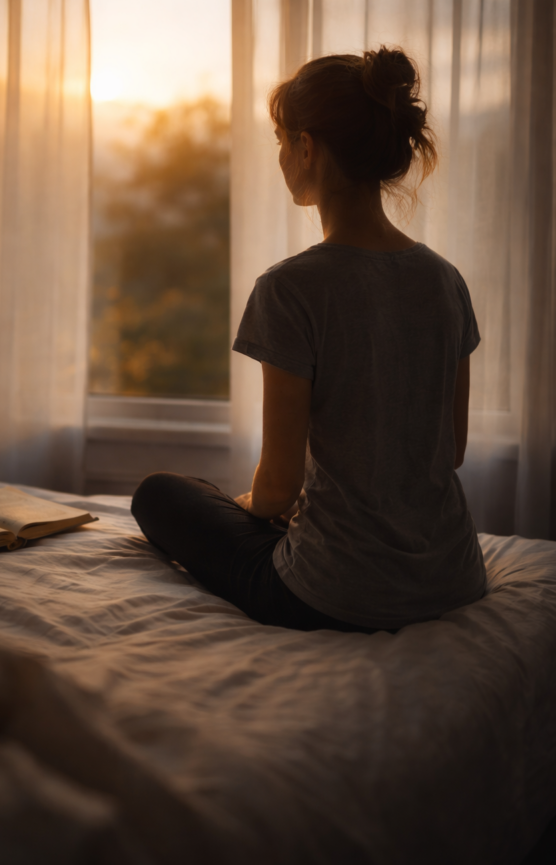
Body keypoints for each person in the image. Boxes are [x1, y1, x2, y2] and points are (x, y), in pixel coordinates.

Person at [131, 46, 486, 634]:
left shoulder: (290, 288)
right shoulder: (445, 280)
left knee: (160, 495)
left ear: (306, 146)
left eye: (281, 139)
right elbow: (450, 451)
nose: (280, 155)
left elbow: (277, 487)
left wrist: (251, 511)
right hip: (453, 576)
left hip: (332, 592)